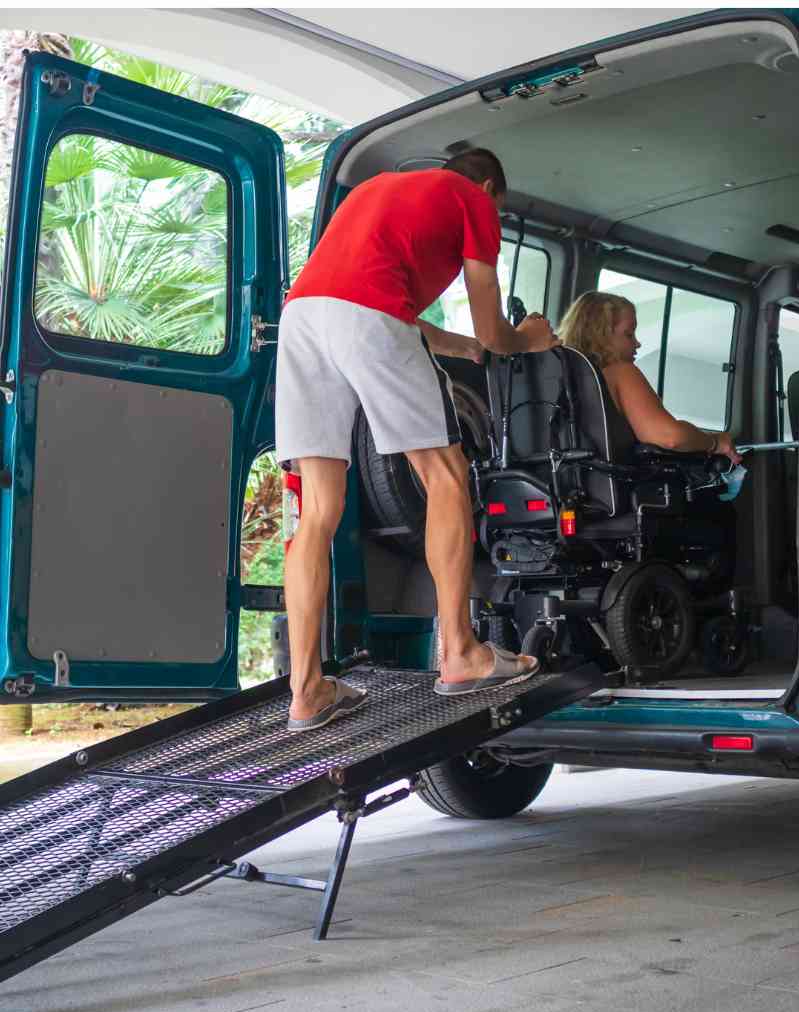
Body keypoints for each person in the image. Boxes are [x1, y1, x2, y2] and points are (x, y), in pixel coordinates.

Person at [276, 148, 559, 733]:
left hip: (302, 320)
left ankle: (306, 691)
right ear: (486, 186)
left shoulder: (377, 190)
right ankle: (460, 651)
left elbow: (361, 303)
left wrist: (460, 348)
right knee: (446, 476)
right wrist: (529, 337)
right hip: (367, 314)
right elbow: (494, 332)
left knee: (319, 512)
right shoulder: (472, 199)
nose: (493, 221)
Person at [557, 291, 742, 463]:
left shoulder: (561, 377)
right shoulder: (620, 371)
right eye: (628, 334)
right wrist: (715, 442)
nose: (637, 343)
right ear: (601, 336)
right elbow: (670, 438)